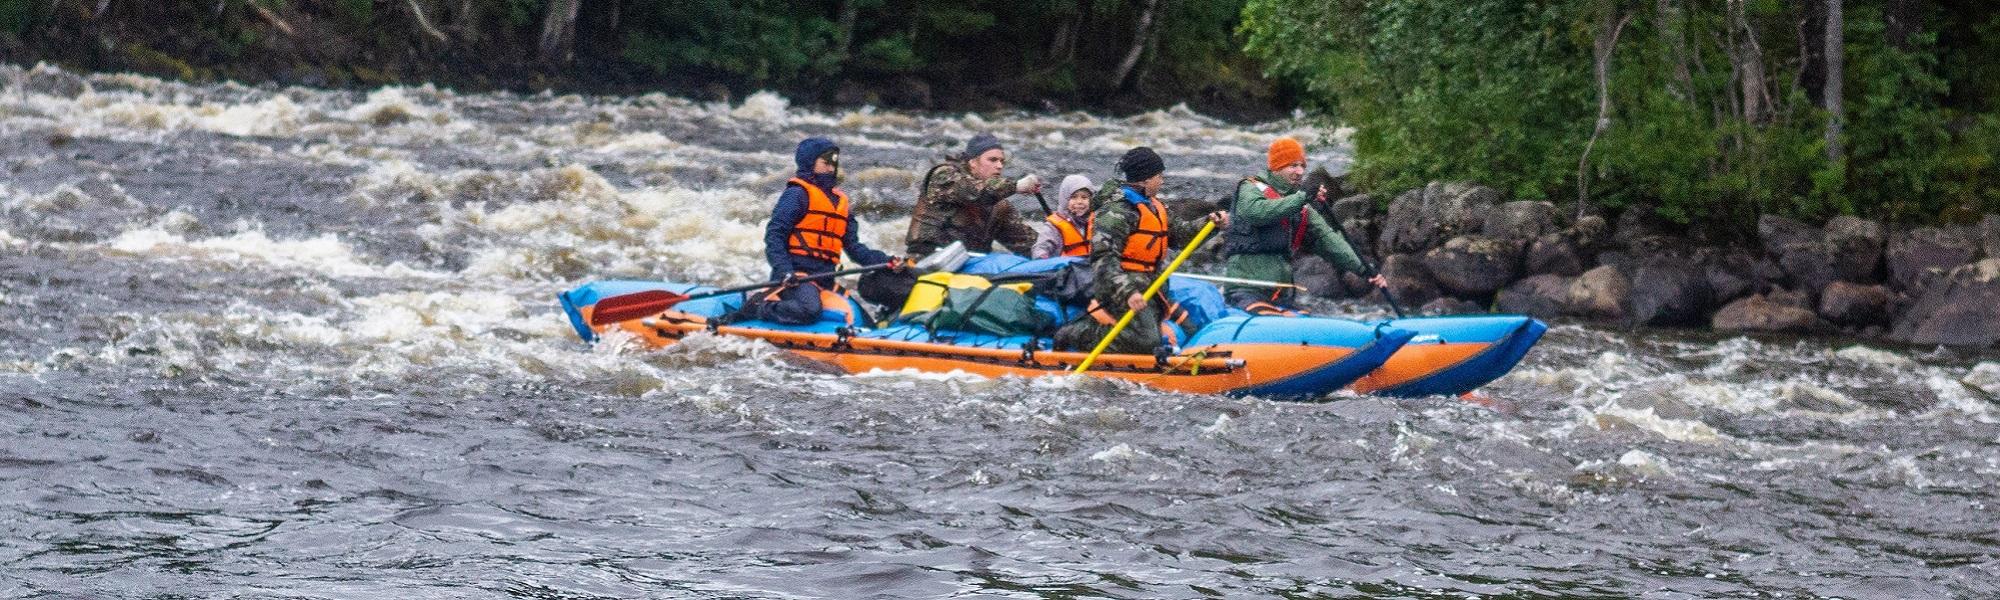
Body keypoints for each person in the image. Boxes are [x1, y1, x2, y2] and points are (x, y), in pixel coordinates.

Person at [1053, 147, 1229, 354]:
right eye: (1159, 176)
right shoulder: (1116, 211)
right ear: (1145, 180)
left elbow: (1180, 236)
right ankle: (1077, 332)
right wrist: (1128, 292)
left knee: (1188, 328)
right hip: (1117, 288)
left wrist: (1209, 223)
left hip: (1151, 286)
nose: (1162, 181)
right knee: (1146, 340)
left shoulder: (1155, 206)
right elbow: (1103, 259)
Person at [748, 136, 905, 325]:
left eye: (834, 164)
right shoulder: (797, 194)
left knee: (866, 323)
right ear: (809, 163)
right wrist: (784, 272)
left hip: (825, 278)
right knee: (809, 309)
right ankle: (760, 308)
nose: (831, 169)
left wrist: (885, 261)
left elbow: (854, 247)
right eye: (825, 163)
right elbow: (774, 236)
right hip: (796, 276)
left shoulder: (841, 202)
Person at [1221, 136, 1386, 315]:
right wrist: (1301, 197)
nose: (1300, 172)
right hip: (1245, 291)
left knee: (1307, 319)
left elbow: (1330, 241)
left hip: (1280, 295)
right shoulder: (1250, 188)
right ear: (1276, 167)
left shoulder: (1302, 206)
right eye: (1293, 166)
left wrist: (1365, 270)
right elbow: (1256, 212)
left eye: (1302, 166)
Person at [905, 133, 1043, 257]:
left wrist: (1053, 249)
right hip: (928, 260)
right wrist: (1016, 186)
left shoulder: (1000, 207)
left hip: (971, 267)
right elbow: (975, 192)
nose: (1000, 166)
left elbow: (1028, 244)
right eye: (993, 160)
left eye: (1002, 161)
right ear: (972, 162)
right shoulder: (944, 175)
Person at [1030, 174, 1095, 259]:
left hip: (1093, 269)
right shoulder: (1053, 227)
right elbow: (1041, 248)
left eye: (1084, 197)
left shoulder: (1096, 221)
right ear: (1065, 200)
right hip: (1066, 270)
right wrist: (1041, 257)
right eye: (1074, 197)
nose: (1079, 202)